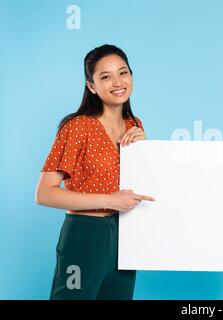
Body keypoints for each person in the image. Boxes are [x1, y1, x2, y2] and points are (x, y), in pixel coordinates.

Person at [35, 44, 155, 300]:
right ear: (91, 86)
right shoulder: (78, 127)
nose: (117, 82)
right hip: (85, 235)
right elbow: (44, 193)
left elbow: (147, 187)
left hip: (127, 234)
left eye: (123, 73)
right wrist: (110, 200)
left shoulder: (135, 125)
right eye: (105, 76)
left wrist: (146, 149)